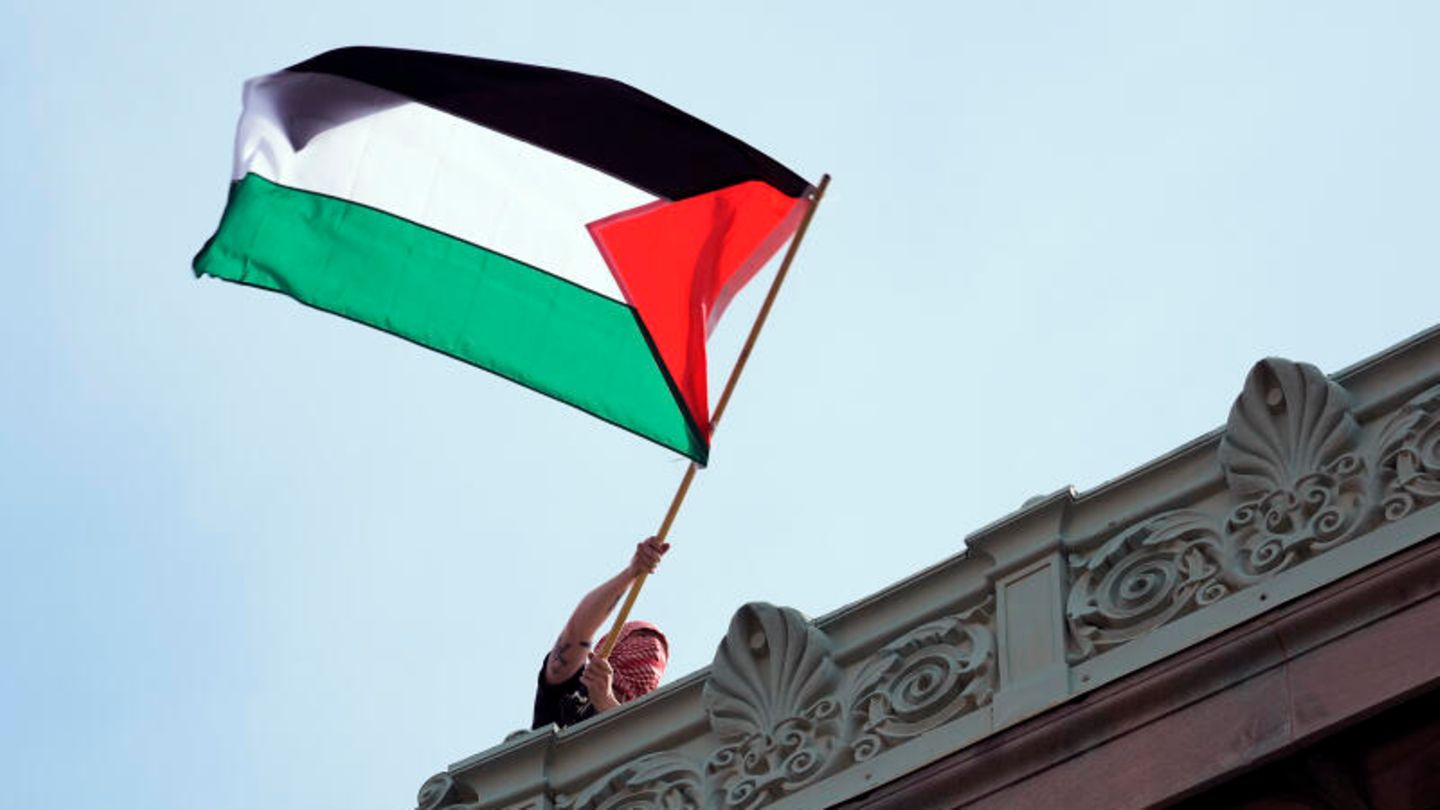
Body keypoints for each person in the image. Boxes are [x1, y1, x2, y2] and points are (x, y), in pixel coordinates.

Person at [531, 536, 671, 729]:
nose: (647, 657)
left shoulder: (645, 729)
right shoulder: (572, 686)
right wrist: (632, 572)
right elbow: (578, 630)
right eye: (637, 640)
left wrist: (606, 703)